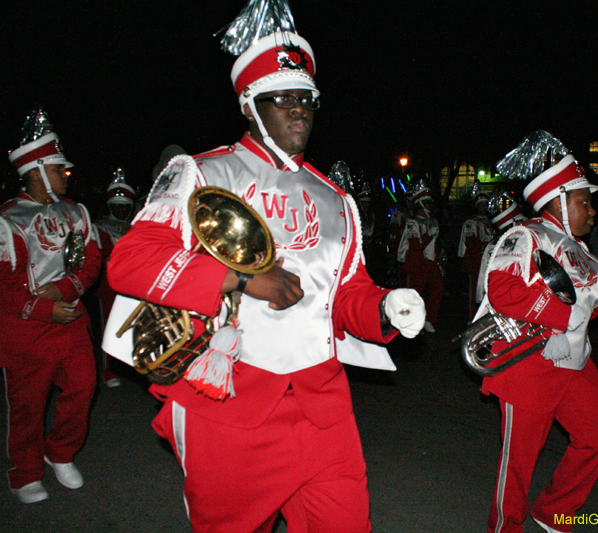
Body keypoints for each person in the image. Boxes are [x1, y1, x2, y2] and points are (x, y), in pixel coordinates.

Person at [104, 1, 426, 531]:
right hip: (228, 408)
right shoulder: (202, 173)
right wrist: (243, 278)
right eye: (282, 98)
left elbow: (344, 297)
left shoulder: (336, 199)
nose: (299, 109)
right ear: (250, 105)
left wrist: (386, 308)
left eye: (307, 99)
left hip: (325, 411)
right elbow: (130, 263)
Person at [478, 131, 598, 533]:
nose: (592, 211)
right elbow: (503, 291)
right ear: (558, 200)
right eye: (585, 202)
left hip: (574, 360)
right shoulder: (526, 236)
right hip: (531, 363)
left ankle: (553, 514)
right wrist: (559, 318)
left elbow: (581, 308)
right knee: (520, 462)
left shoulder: (580, 248)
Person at [1, 106, 100, 503]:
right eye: (59, 169)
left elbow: (92, 260)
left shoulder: (75, 210)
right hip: (26, 333)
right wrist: (43, 309)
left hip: (71, 321)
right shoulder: (9, 219)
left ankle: (60, 452)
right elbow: (4, 285)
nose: (65, 175)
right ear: (38, 170)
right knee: (28, 406)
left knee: (84, 387)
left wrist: (65, 289)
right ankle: (25, 472)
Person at [90, 168, 136, 387]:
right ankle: (108, 371)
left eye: (125, 206)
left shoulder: (138, 225)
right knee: (109, 326)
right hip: (110, 285)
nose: (121, 209)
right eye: (117, 206)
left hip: (136, 285)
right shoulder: (99, 227)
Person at [398, 180, 444, 333]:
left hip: (431, 262)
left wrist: (438, 261)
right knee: (414, 295)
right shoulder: (412, 222)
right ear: (420, 204)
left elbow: (435, 245)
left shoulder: (434, 221)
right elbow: (416, 245)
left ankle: (429, 319)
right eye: (427, 202)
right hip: (417, 263)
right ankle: (410, 322)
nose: (430, 205)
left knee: (437, 289)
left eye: (431, 202)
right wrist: (428, 235)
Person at [475, 187, 527, 306]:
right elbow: (484, 276)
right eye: (520, 222)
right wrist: (481, 297)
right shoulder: (494, 246)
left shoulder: (527, 240)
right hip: (501, 299)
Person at [457, 180, 495, 317]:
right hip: (476, 261)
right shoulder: (471, 222)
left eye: (486, 205)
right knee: (474, 290)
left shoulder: (492, 222)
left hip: (489, 260)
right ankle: (473, 316)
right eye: (481, 205)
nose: (484, 208)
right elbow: (470, 243)